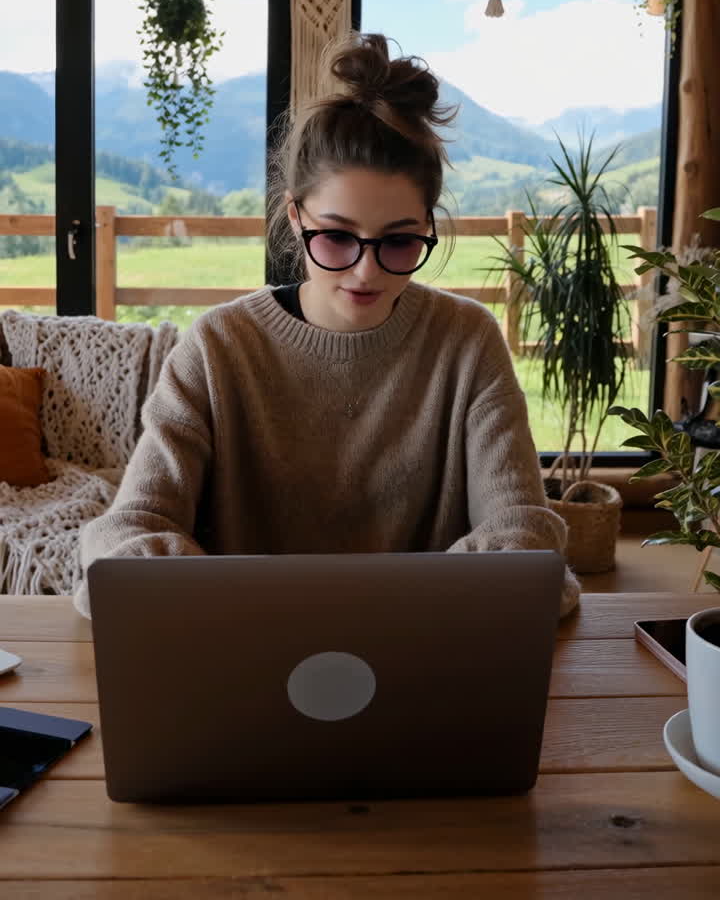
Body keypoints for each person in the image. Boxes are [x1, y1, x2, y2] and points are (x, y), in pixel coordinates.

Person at [73, 33, 580, 619]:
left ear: (427, 227)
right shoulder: (217, 346)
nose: (366, 271)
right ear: (295, 217)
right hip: (243, 657)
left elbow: (521, 528)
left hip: (425, 660)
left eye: (399, 241)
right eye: (337, 236)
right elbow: (129, 530)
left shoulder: (466, 341)